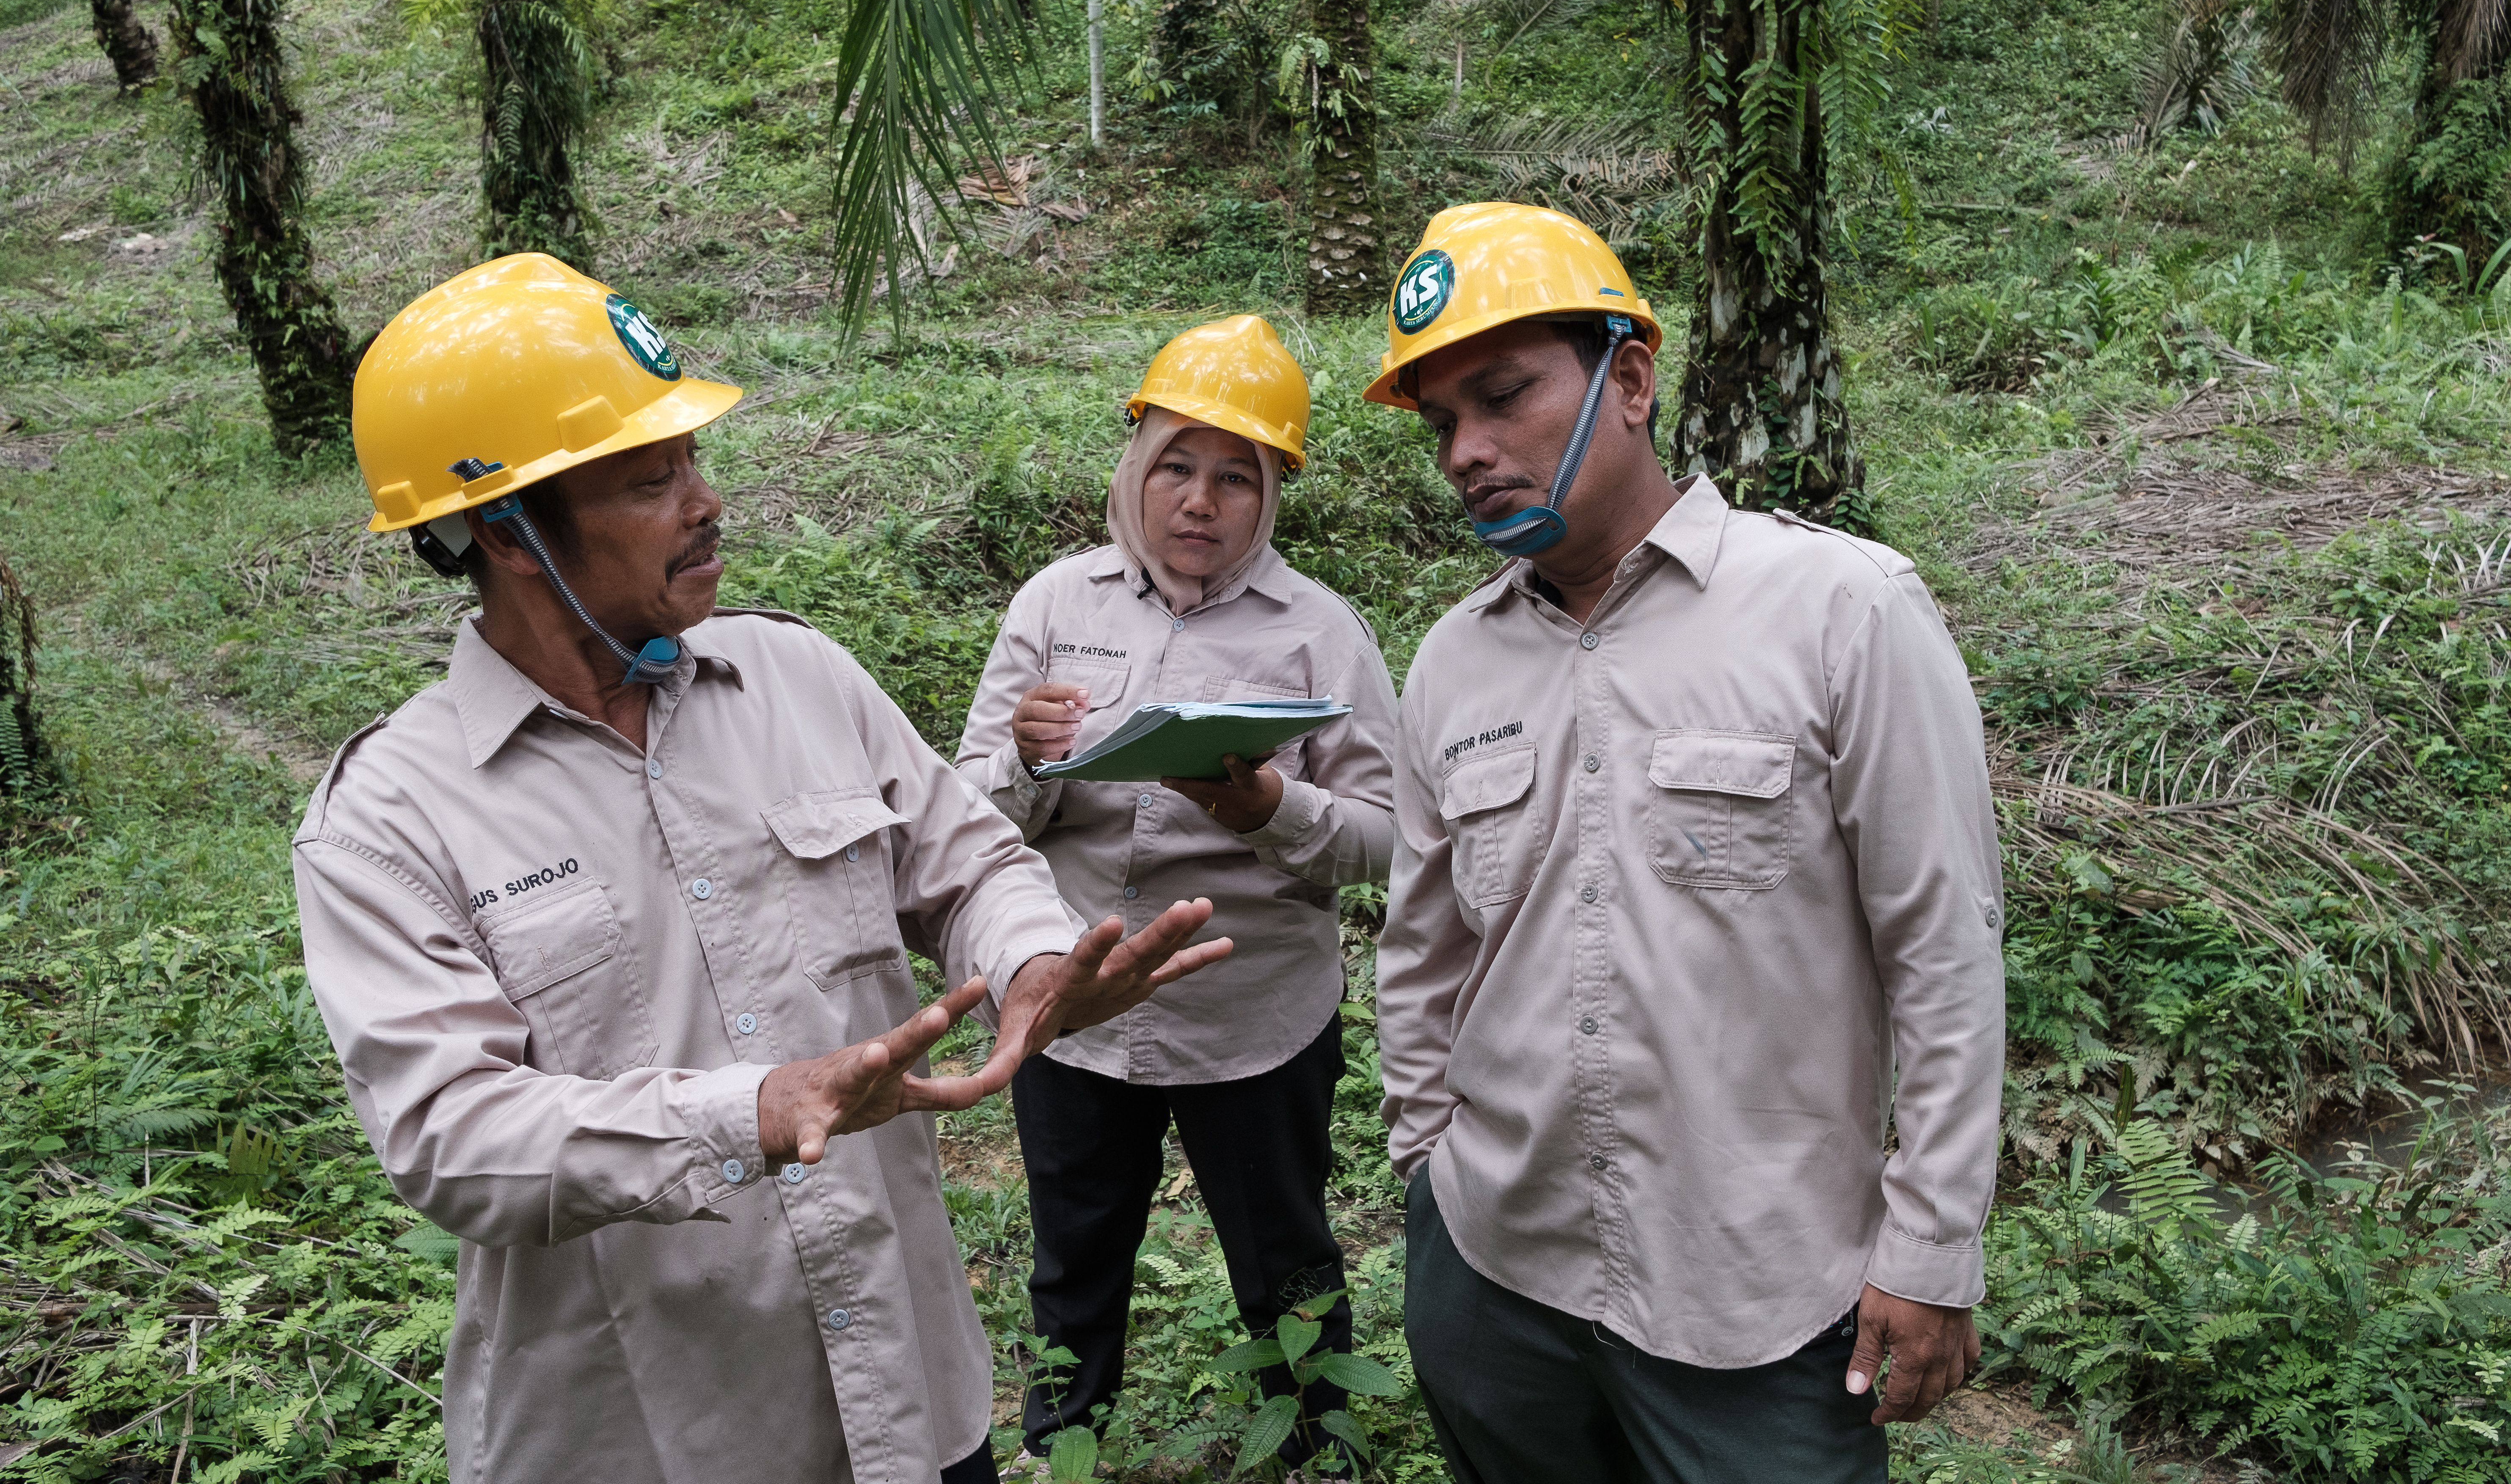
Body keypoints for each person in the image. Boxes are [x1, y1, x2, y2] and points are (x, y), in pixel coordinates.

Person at [292, 253, 1231, 1484]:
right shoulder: (391, 817)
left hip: (910, 1406)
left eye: (693, 460)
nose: (705, 502)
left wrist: (1033, 957)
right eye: (650, 478)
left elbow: (967, 859)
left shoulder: (798, 678)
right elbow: (453, 1137)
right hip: (649, 1440)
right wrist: (753, 1110)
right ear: (510, 532)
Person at [1368, 204, 2006, 1482]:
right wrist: (1427, 1169)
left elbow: (1942, 946)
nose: (1468, 454)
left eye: (1503, 398)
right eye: (1443, 425)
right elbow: (1423, 951)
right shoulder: (1451, 661)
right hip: (1496, 1271)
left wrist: (1931, 1250)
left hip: (1759, 1302)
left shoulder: (1842, 612)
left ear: (1633, 380)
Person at [953, 314, 1399, 1465]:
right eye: (1178, 468)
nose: (1201, 504)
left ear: (1275, 495)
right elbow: (966, 824)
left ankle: (1314, 1446)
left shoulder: (1322, 637)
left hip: (1252, 1014)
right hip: (1075, 1004)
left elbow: (1395, 841)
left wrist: (1271, 813)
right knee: (1075, 1254)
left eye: (1237, 478)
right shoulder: (1055, 609)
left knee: (1285, 1259)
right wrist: (1028, 758)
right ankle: (1065, 1449)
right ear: (1135, 465)